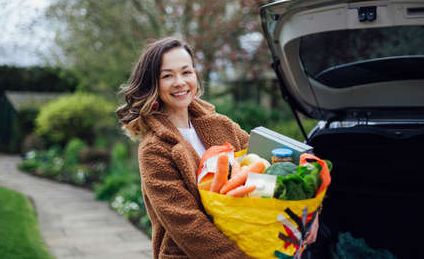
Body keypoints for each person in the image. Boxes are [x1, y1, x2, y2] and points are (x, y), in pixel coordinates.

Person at [116, 36, 317, 259]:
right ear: (153, 83)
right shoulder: (154, 149)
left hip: (253, 242)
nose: (180, 82)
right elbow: (187, 224)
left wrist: (308, 214)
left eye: (186, 72)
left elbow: (273, 170)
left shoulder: (220, 125)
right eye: (167, 76)